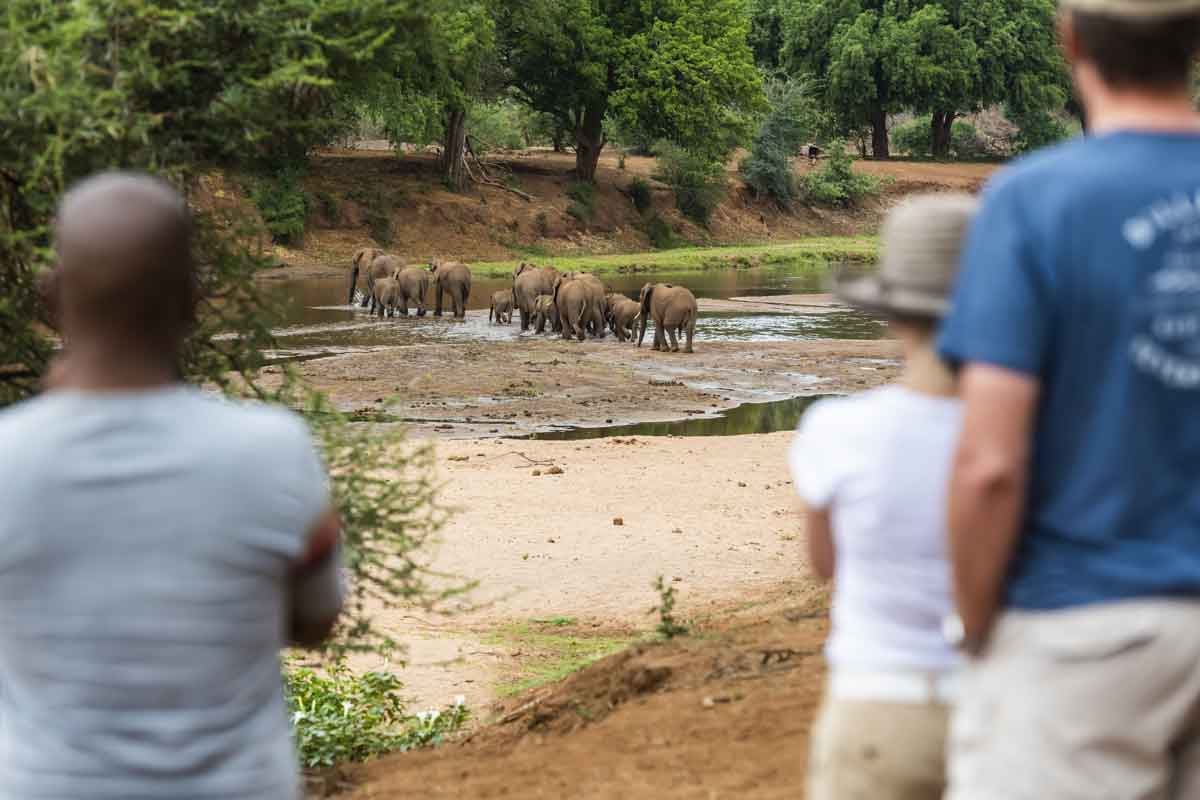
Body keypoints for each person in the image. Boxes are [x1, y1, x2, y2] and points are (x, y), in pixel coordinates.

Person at [0, 172, 344, 799]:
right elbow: (315, 622)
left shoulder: (7, 457)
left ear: (49, 300)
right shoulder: (275, 449)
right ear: (193, 298)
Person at [937, 1, 1200, 796]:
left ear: (1070, 39)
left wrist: (975, 621)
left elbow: (989, 462)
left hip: (1084, 622)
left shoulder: (1033, 199)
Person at [792, 193, 977, 800]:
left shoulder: (833, 427)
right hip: (999, 709)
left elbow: (824, 566)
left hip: (876, 703)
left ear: (891, 314)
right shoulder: (1034, 435)